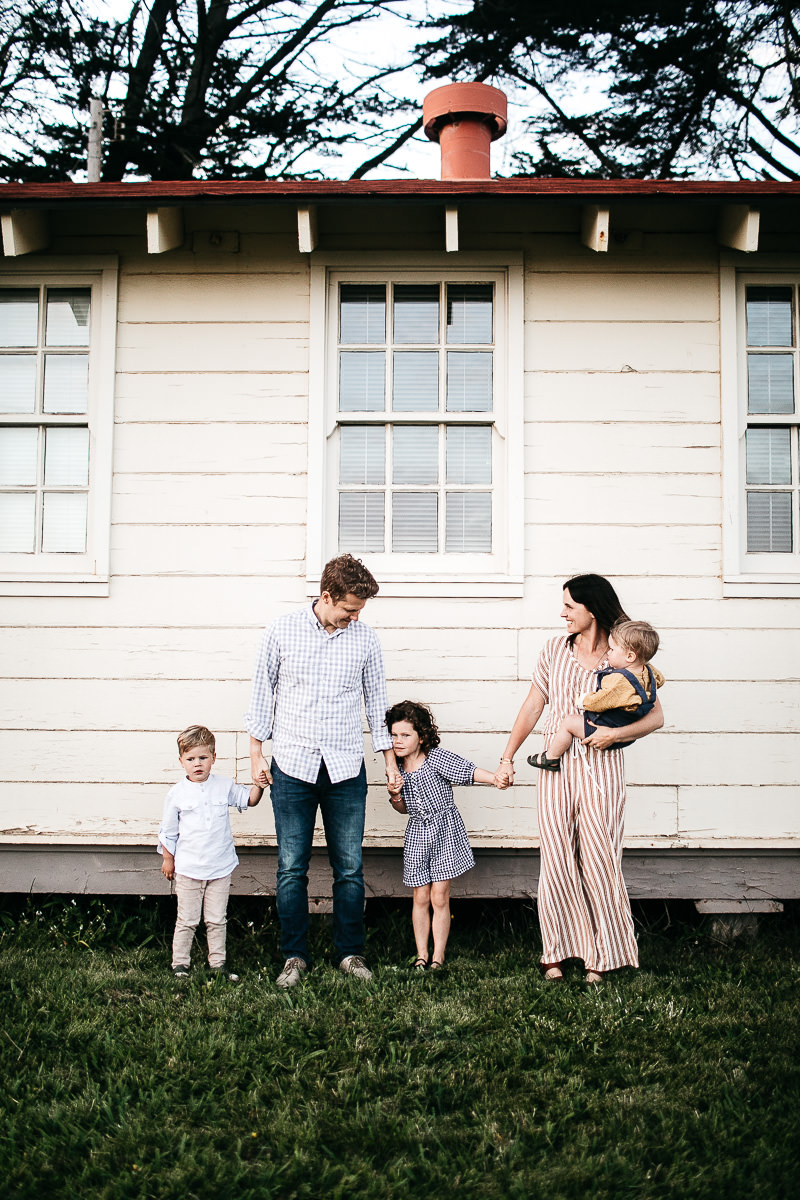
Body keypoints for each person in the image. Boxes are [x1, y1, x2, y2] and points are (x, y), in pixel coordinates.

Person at [495, 576, 664, 984]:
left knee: (600, 858)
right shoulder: (555, 650)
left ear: (593, 609)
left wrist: (615, 734)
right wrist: (507, 756)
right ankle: (555, 951)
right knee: (555, 858)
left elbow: (656, 716)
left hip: (602, 769)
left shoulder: (625, 655)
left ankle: (602, 956)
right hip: (557, 770)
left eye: (570, 606)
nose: (563, 613)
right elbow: (534, 705)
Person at [245, 554, 400, 989]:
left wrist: (389, 763)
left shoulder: (365, 640)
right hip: (292, 766)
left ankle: (350, 953)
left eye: (360, 611)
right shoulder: (281, 630)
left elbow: (376, 704)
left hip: (346, 768)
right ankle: (294, 956)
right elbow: (262, 695)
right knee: (291, 866)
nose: (355, 617)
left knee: (349, 867)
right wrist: (256, 755)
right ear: (326, 596)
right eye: (350, 609)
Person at [386, 700, 497, 971]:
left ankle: (439, 956)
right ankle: (422, 954)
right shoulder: (396, 768)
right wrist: (395, 794)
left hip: (444, 832)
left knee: (439, 896)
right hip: (417, 834)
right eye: (394, 735)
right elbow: (403, 809)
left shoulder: (436, 758)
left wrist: (495, 778)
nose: (398, 741)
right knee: (420, 897)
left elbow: (467, 771)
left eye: (405, 735)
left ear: (421, 736)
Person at [158, 724, 263, 981]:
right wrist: (168, 860)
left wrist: (260, 784)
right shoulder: (177, 794)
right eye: (191, 759)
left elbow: (248, 799)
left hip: (219, 867)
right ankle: (180, 964)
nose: (197, 764)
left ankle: (218, 963)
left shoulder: (223, 786)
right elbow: (168, 831)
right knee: (187, 919)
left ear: (213, 758)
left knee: (217, 919)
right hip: (188, 868)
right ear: (181, 761)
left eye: (203, 758)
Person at [528, 619, 664, 772]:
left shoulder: (619, 679)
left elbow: (602, 700)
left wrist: (583, 701)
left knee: (569, 723)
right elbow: (661, 680)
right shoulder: (649, 672)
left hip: (604, 728)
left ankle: (551, 757)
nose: (608, 653)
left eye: (612, 650)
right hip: (627, 734)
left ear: (630, 657)